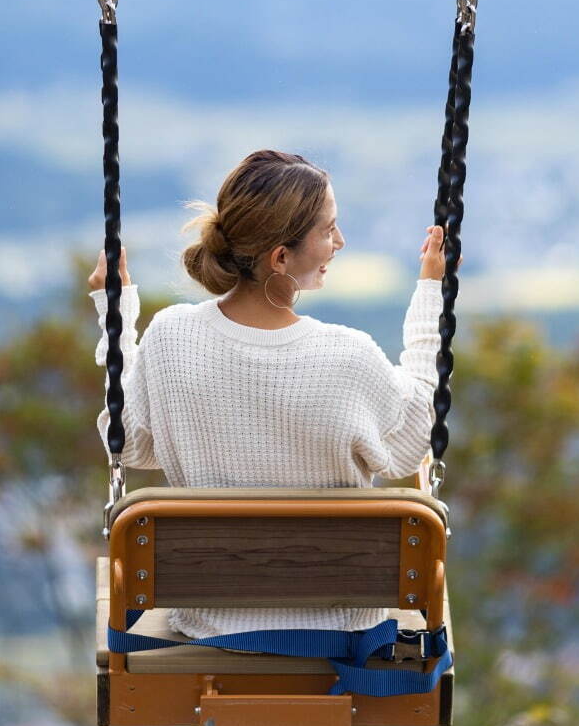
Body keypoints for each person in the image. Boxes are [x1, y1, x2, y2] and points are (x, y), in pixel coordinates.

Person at [89, 147, 453, 642]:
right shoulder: (348, 356)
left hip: (207, 623)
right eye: (328, 231)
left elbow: (128, 441)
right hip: (340, 629)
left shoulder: (170, 337)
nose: (340, 242)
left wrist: (116, 323)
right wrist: (431, 294)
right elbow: (411, 446)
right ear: (280, 257)